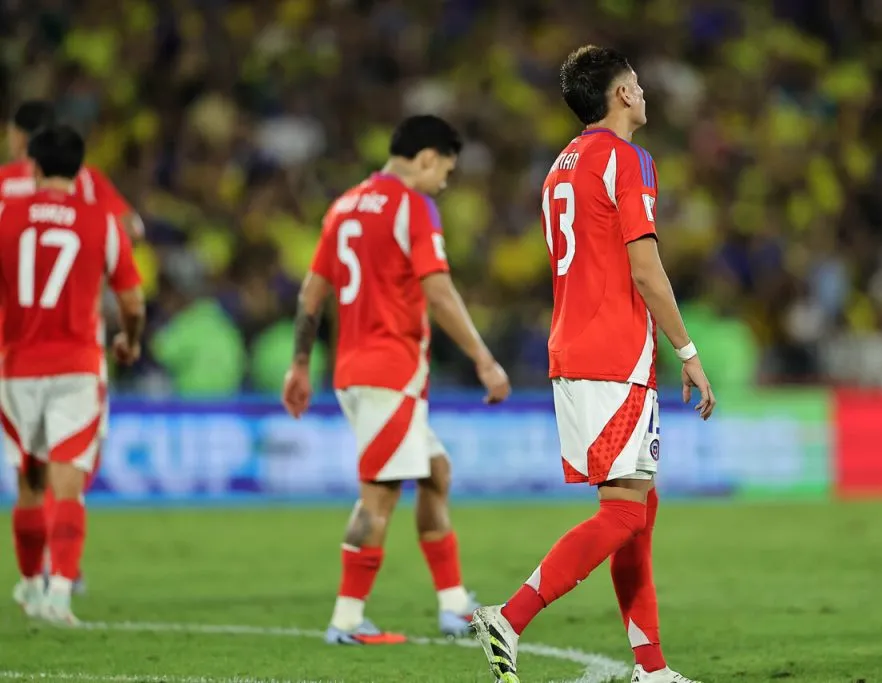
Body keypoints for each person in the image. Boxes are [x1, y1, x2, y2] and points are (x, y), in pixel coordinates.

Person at [470, 46, 716, 683]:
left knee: (639, 509)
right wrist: (686, 352)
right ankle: (511, 616)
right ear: (622, 95)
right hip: (615, 354)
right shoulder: (628, 159)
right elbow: (642, 264)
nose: (643, 92)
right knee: (626, 514)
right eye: (636, 83)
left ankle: (652, 668)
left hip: (572, 350)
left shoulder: (559, 168)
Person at [281, 115, 511, 645]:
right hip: (390, 371)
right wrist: (483, 358)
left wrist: (298, 363)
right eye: (445, 173)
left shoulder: (343, 206)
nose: (444, 185)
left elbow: (312, 293)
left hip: (355, 370)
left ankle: (454, 606)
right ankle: (345, 620)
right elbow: (438, 290)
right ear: (427, 158)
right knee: (379, 497)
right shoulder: (413, 205)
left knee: (435, 472)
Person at [0, 125, 145, 625]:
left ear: (33, 167)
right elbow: (131, 299)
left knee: (29, 478)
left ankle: (27, 584)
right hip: (76, 365)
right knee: (68, 480)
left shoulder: (5, 213)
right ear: (80, 171)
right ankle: (60, 590)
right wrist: (130, 337)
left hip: (15, 365)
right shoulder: (100, 221)